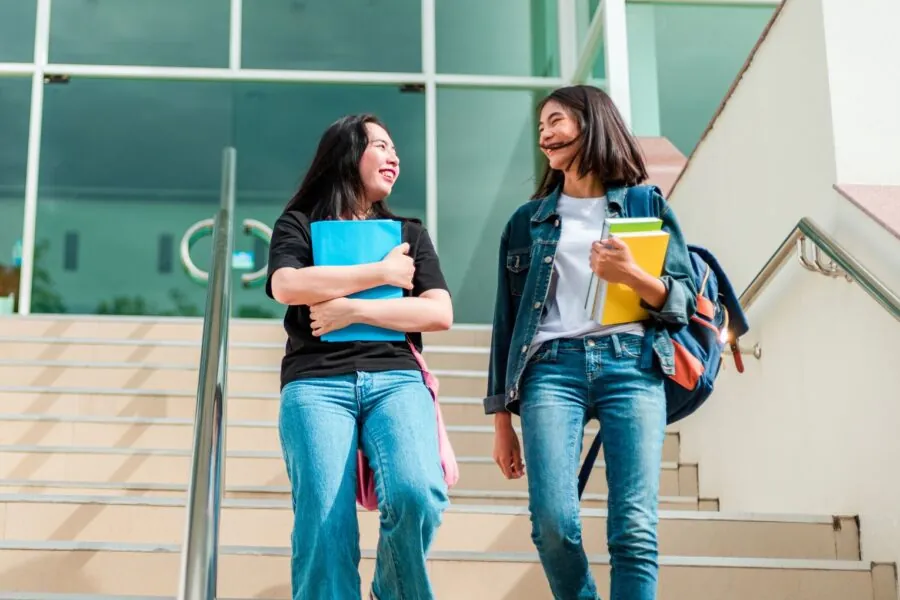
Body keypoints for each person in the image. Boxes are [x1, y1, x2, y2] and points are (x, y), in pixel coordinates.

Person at [485, 85, 697, 600]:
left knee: (635, 528)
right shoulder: (526, 221)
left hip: (633, 365)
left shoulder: (646, 204)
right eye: (541, 128)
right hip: (551, 370)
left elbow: (682, 300)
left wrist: (632, 276)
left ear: (591, 124)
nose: (545, 135)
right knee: (553, 523)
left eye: (555, 121)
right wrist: (501, 421)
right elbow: (506, 323)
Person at [266, 113, 453, 600]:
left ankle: (389, 589)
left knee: (418, 494)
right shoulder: (299, 224)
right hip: (315, 383)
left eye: (395, 149)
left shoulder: (408, 232)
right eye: (381, 146)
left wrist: (348, 309)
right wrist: (382, 272)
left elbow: (439, 312)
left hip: (396, 377)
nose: (394, 157)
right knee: (324, 527)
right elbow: (286, 285)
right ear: (348, 155)